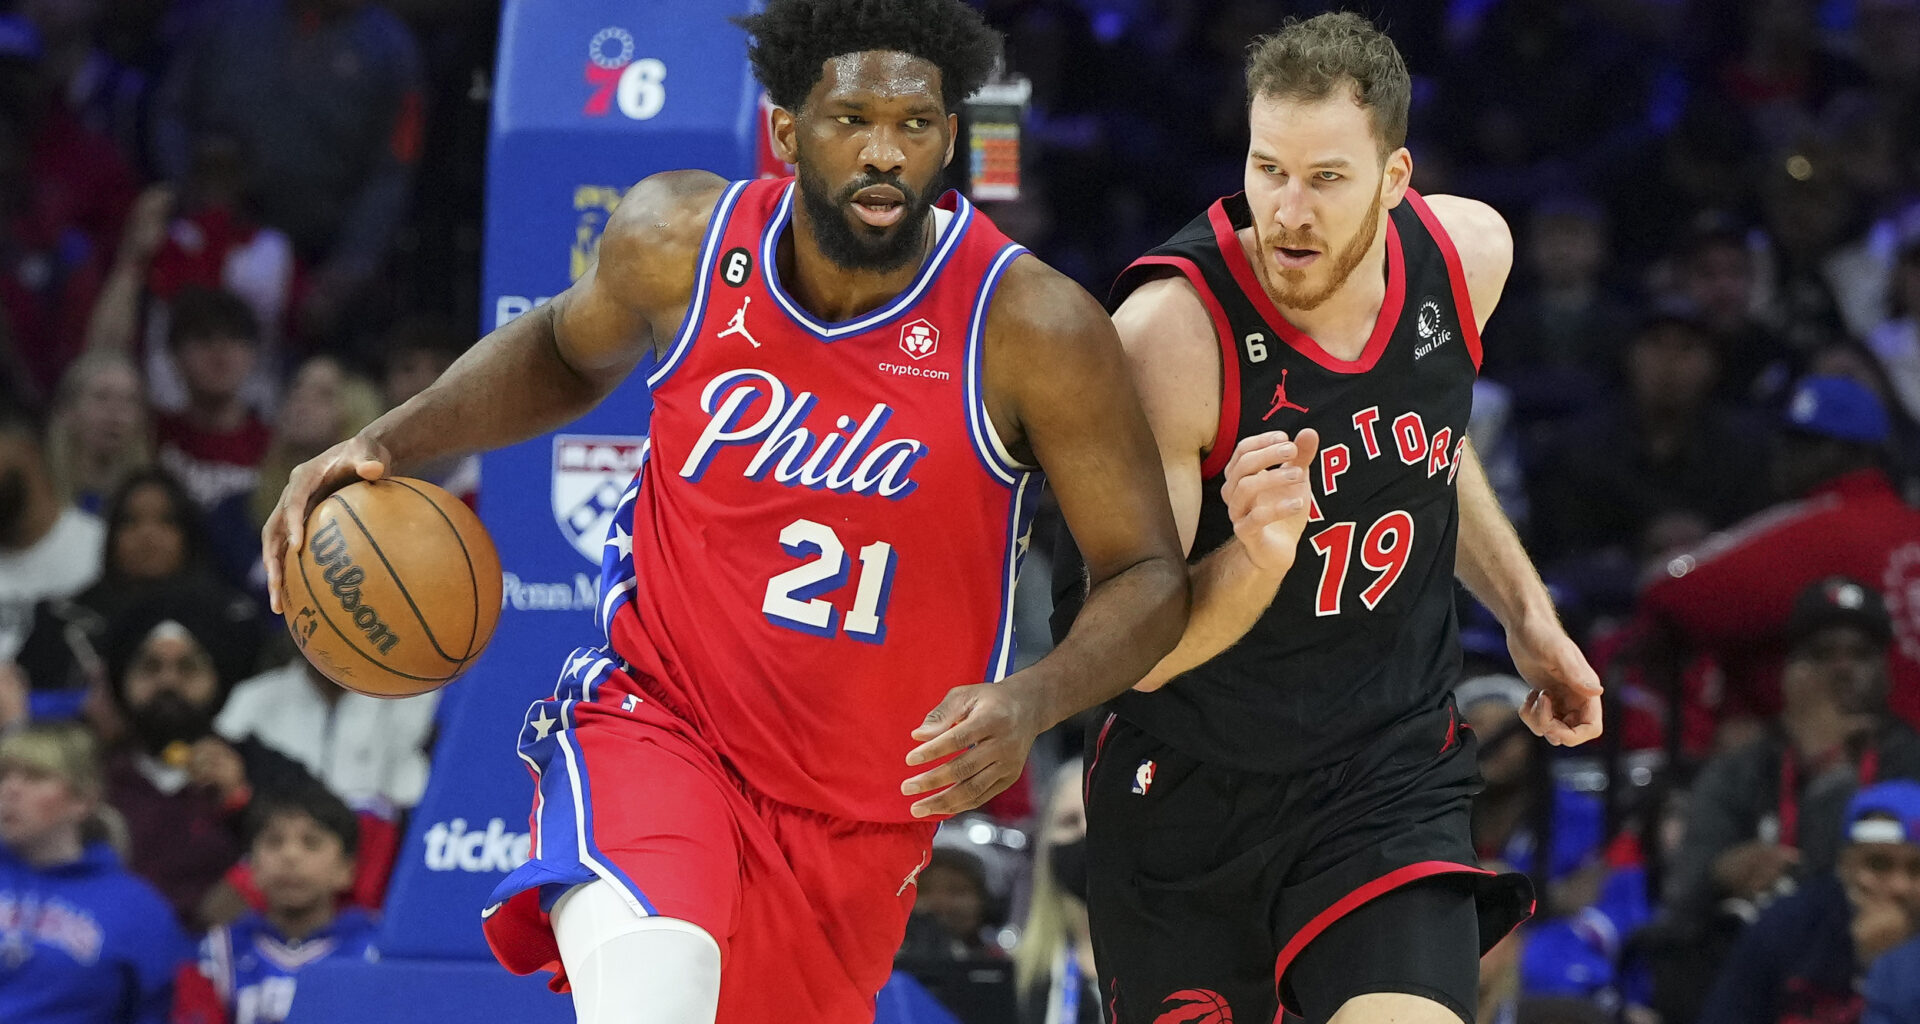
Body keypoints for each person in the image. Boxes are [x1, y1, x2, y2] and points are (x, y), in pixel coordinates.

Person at [258, 1, 1189, 1022]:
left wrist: (1033, 698)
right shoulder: (680, 240)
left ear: (951, 135)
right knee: (656, 991)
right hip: (660, 724)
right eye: (851, 120)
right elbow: (566, 350)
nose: (885, 152)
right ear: (788, 129)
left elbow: (1146, 572)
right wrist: (388, 440)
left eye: (915, 124)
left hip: (862, 815)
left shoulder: (1034, 327)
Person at [1073, 14, 1602, 1024]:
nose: (1288, 211)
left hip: (1383, 768)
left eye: (1326, 178)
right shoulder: (1168, 340)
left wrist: (1528, 615)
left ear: (1396, 177)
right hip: (1190, 792)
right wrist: (1254, 563)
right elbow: (1131, 656)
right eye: (1268, 169)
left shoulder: (1467, 258)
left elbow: (1433, 448)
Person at [1638, 374, 1920, 733]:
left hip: (1863, 768)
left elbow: (1668, 585)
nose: (1785, 457)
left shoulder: (1818, 527)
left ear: (1853, 454)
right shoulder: (1911, 523)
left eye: (1804, 444)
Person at [0, 721, 188, 1024]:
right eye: (3, 775)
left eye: (35, 776)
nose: (10, 789)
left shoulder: (137, 908)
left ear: (83, 800)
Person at [1697, 780, 1920, 1024]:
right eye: (1878, 864)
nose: (1900, 886)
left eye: (1916, 868)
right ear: (1846, 865)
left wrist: (1891, 966)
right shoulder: (1787, 925)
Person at [178, 786, 378, 1024]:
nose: (290, 856)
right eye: (274, 842)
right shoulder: (216, 953)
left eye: (311, 843)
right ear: (251, 868)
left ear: (346, 870)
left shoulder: (376, 951)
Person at [1014, 760, 1096, 1024]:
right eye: (1070, 822)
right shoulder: (1021, 974)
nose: (1086, 831)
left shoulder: (1176, 964)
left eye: (1098, 816)